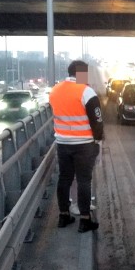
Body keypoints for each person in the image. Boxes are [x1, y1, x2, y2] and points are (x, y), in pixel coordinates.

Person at [49, 60, 104, 233]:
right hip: (84, 144)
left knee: (64, 178)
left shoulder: (55, 90)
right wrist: (98, 140)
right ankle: (85, 220)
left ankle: (63, 216)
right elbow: (97, 120)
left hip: (62, 143)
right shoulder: (86, 91)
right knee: (83, 180)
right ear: (81, 73)